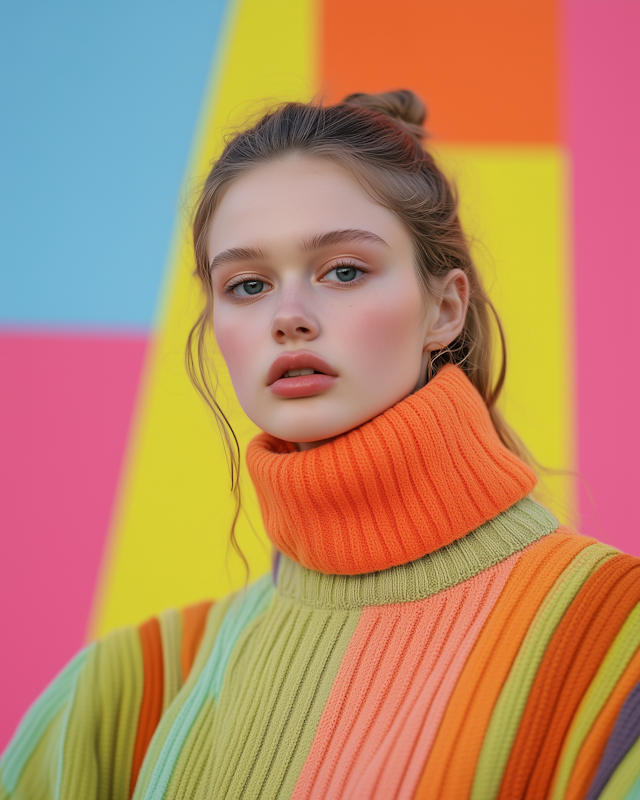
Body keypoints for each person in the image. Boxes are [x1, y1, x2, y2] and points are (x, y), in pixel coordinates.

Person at [2, 91, 639, 800]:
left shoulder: (617, 648)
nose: (290, 317)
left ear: (445, 308)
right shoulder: (128, 695)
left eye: (343, 270)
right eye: (247, 285)